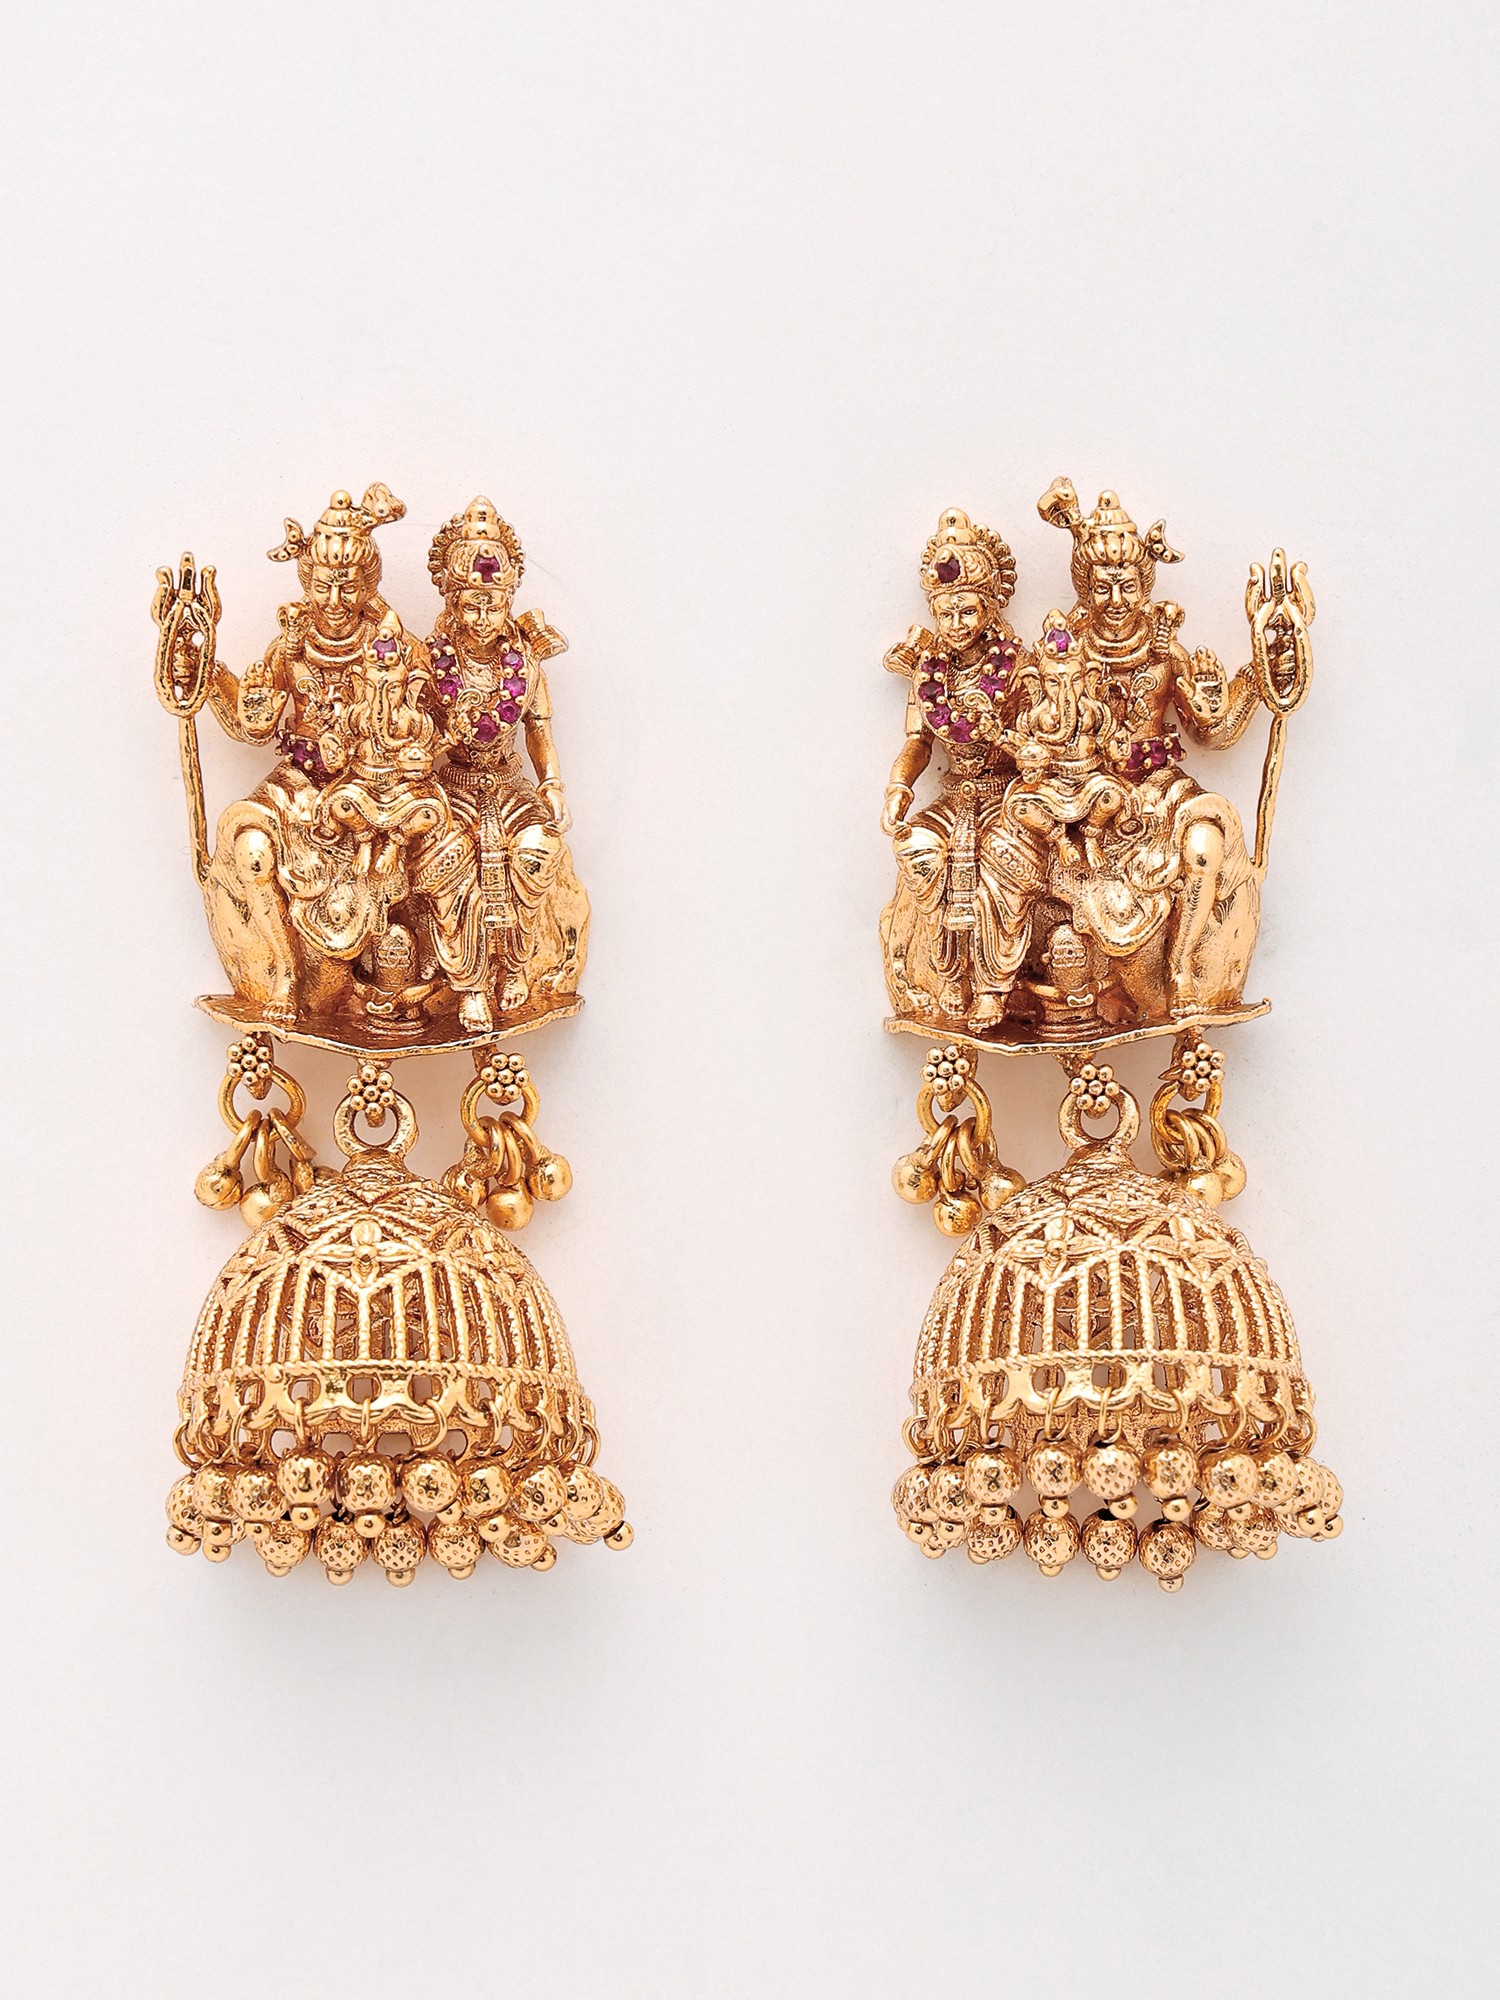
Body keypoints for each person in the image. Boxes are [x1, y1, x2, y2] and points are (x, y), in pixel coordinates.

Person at [423, 498, 589, 1016]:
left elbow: (539, 730)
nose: (482, 619)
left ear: (508, 601)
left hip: (510, 787)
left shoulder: (525, 662)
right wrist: (446, 735)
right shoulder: (430, 661)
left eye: (493, 607)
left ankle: (516, 965)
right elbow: (413, 741)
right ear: (452, 602)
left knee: (537, 850)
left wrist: (552, 785)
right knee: (452, 863)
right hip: (450, 788)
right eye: (471, 606)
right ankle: (470, 985)